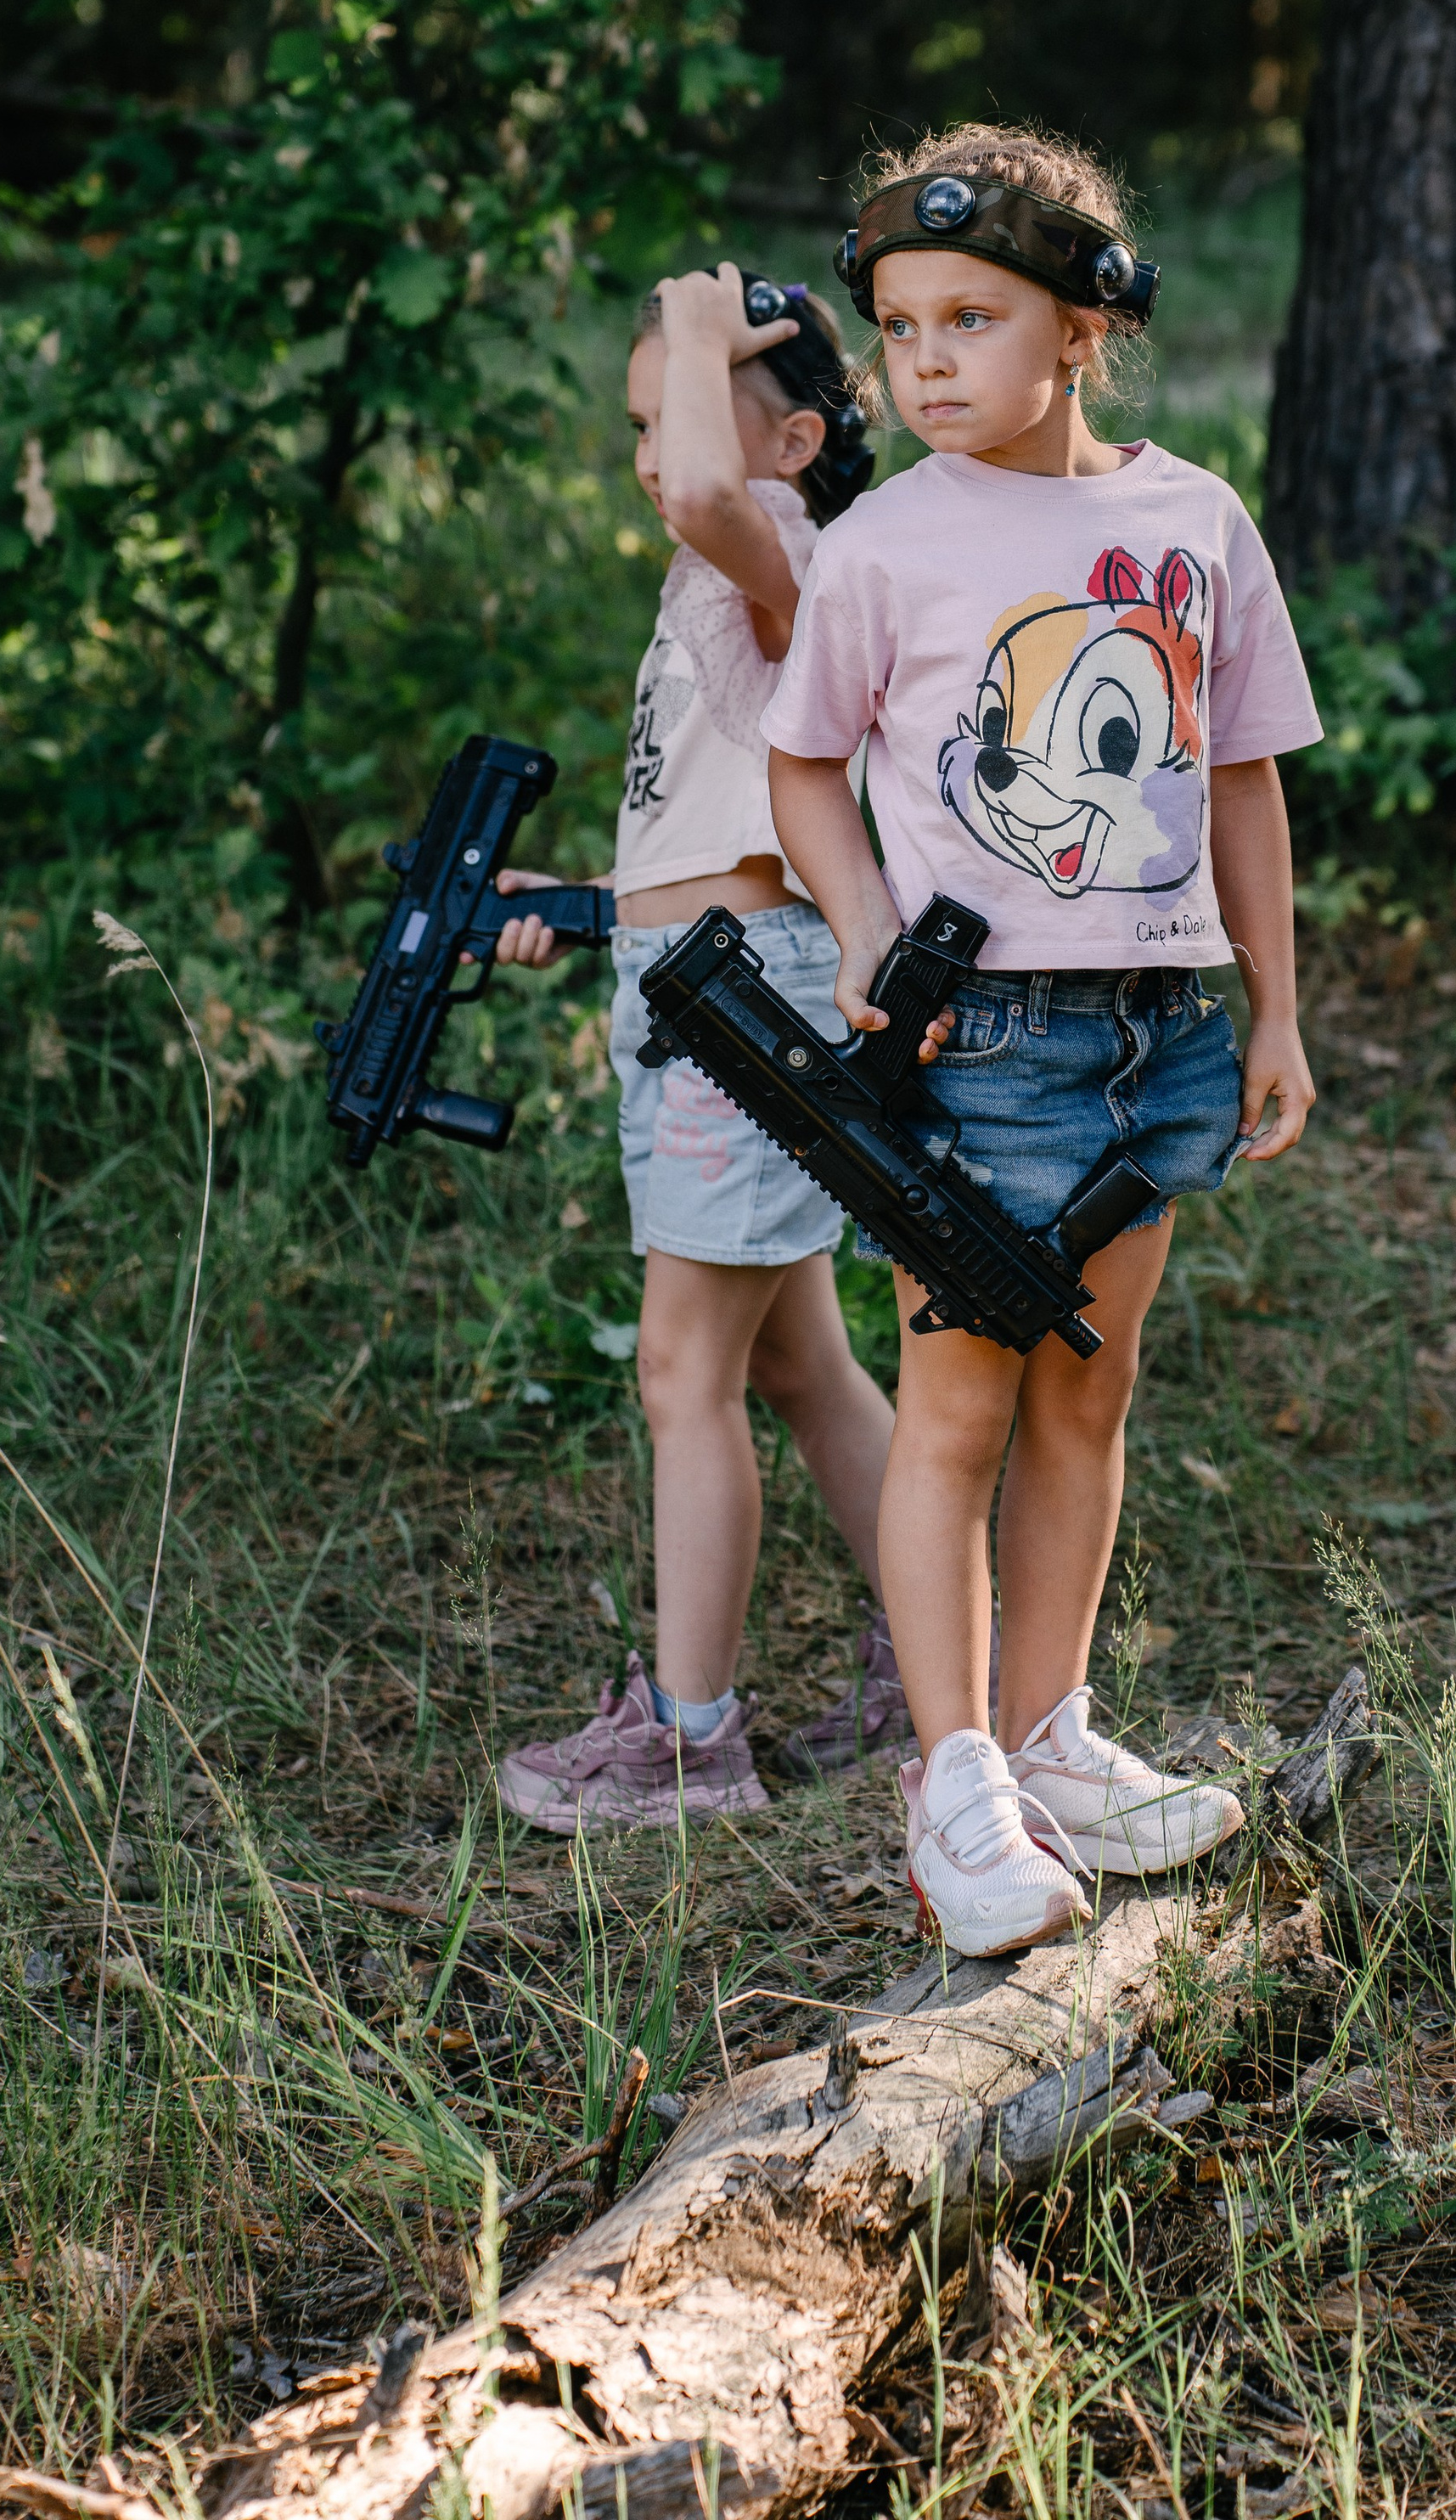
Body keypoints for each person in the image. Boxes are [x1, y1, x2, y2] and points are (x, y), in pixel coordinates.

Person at [762, 124, 1323, 1955]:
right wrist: (860, 940)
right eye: (900, 327)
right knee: (956, 1413)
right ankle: (954, 1786)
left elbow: (1235, 781)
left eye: (969, 321)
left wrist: (1273, 1005)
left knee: (1090, 1393)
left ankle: (1051, 1732)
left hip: (1151, 1031)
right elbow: (801, 764)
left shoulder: (1190, 523)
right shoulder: (881, 543)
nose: (921, 362)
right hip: (970, 1046)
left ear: (1080, 332)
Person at [489, 262, 912, 1831]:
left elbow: (704, 504)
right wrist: (589, 902)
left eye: (685, 414)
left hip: (746, 997)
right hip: (703, 968)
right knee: (796, 1358)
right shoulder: (721, 573)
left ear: (790, 443)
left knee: (684, 1373)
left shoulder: (789, 551)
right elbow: (726, 840)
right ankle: (937, 1658)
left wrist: (697, 320)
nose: (657, 457)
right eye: (641, 425)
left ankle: (690, 1741)